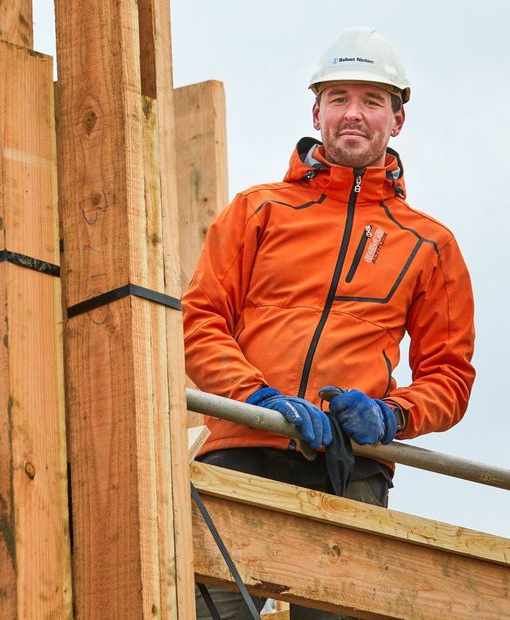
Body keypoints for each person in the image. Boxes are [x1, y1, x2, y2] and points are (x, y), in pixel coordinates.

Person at [183, 27, 475, 619]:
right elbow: (200, 321)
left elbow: (449, 376)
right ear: (316, 110)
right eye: (339, 98)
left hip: (351, 469)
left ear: (397, 119)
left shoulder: (430, 244)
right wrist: (256, 397)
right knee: (212, 612)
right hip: (244, 447)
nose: (353, 114)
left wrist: (391, 414)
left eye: (372, 101)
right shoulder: (256, 211)